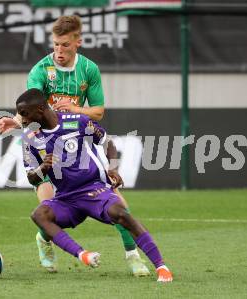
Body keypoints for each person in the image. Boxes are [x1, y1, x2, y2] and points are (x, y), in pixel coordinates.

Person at [0, 15, 150, 276]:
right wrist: (15, 121)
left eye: (65, 45)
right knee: (47, 205)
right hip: (43, 145)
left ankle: (133, 256)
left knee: (120, 206)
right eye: (55, 44)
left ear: (78, 42)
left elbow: (98, 112)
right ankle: (44, 239)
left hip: (76, 141)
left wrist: (74, 109)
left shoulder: (89, 69)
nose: (58, 51)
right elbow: (31, 107)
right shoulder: (41, 70)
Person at [17, 88, 173, 282]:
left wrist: (113, 168)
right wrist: (42, 169)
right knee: (39, 215)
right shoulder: (29, 138)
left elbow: (108, 143)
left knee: (122, 213)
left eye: (24, 113)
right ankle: (83, 255)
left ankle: (161, 267)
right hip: (66, 199)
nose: (21, 119)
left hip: (94, 190)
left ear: (40, 109)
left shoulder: (77, 121)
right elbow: (32, 177)